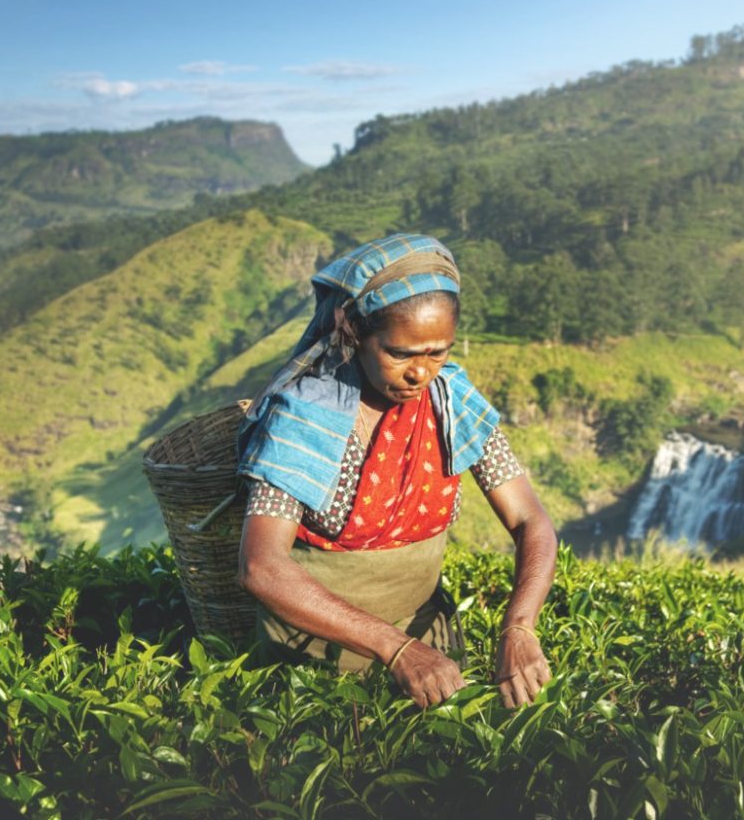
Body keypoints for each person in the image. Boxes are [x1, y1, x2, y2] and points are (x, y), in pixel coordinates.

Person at [236, 234, 557, 709]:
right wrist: (396, 648)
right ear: (356, 334)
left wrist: (519, 627)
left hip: (432, 654)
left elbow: (532, 522)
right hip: (310, 663)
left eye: (437, 352)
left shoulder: (452, 401)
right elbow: (261, 567)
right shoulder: (306, 416)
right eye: (400, 353)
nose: (420, 373)